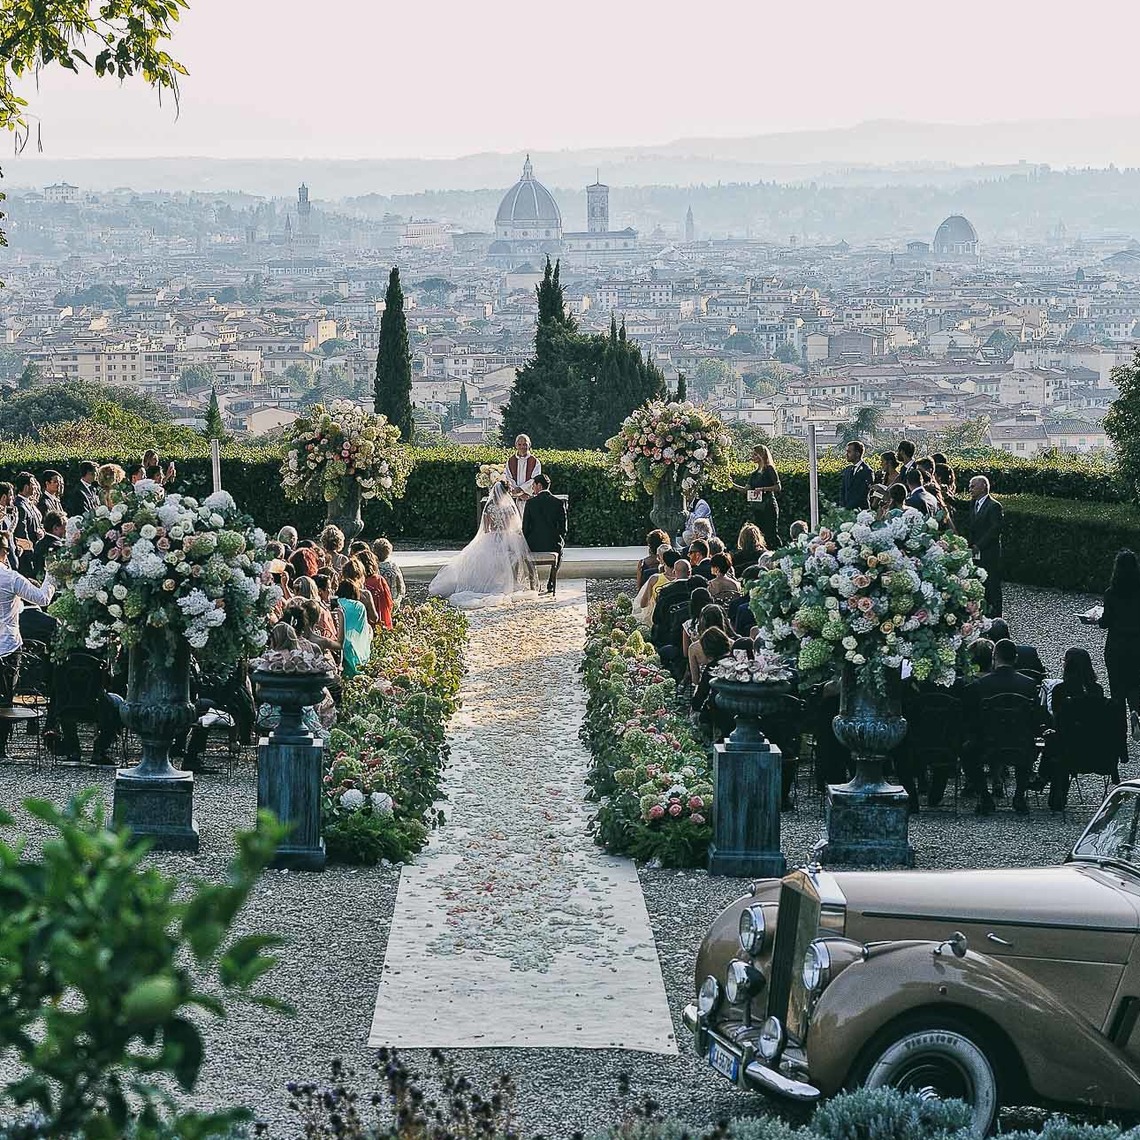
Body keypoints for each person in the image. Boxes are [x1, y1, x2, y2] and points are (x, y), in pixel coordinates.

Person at [963, 638, 1045, 815]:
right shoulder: (1029, 684)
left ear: (994, 657)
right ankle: (1019, 795)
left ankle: (984, 796)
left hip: (987, 745)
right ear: (1015, 658)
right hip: (1021, 745)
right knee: (1030, 741)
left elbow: (971, 719)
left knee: (967, 751)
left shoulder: (979, 685)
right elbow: (1036, 718)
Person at [429, 481, 537, 609]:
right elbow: (516, 527)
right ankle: (510, 583)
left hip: (491, 538)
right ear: (506, 492)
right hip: (508, 538)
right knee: (514, 556)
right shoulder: (509, 507)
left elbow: (486, 528)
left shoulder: (490, 506)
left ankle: (487, 584)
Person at [0, 537, 55, 760]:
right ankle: (0, 748)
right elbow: (42, 598)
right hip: (7, 644)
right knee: (4, 699)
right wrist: (51, 575)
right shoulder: (10, 577)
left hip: (7, 642)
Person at [1099, 549, 1140, 741]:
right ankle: (1135, 713)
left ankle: (1120, 730)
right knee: (1134, 684)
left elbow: (1105, 621)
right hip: (1136, 645)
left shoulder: (1111, 593)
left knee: (1117, 689)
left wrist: (1098, 620)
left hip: (1115, 647)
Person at [521, 473, 568, 594]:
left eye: (534, 485)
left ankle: (534, 582)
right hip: (553, 544)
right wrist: (559, 540)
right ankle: (551, 582)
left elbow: (525, 528)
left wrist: (526, 542)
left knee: (525, 553)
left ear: (540, 486)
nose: (532, 488)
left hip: (534, 545)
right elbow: (563, 528)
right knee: (560, 551)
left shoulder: (530, 503)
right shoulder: (558, 503)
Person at [969, 475, 1003, 617]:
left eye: (972, 486)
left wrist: (979, 545)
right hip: (976, 551)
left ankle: (996, 615)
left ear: (983, 486)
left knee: (992, 583)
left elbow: (995, 530)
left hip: (990, 552)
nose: (970, 489)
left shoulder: (994, 506)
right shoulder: (973, 504)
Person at [734, 445, 781, 549]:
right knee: (761, 532)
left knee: (771, 533)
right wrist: (732, 485)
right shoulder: (754, 474)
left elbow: (778, 487)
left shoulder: (769, 469)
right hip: (758, 507)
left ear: (761, 455)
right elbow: (746, 490)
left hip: (768, 505)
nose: (753, 457)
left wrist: (763, 489)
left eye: (755, 454)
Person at [336, 580, 373, 679]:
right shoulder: (359, 606)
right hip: (354, 649)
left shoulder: (336, 603)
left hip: (338, 642)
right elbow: (362, 629)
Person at [12, 473, 43, 577]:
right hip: (27, 555)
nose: (35, 487)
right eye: (33, 484)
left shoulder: (28, 504)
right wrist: (31, 553)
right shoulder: (19, 505)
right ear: (26, 487)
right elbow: (22, 532)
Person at [355, 547, 394, 630]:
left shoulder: (359, 583)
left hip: (366, 623)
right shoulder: (379, 579)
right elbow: (389, 602)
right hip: (382, 619)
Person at [371, 538, 406, 609]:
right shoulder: (393, 566)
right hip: (392, 600)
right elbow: (401, 586)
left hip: (377, 603)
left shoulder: (372, 568)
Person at [839, 441, 874, 511]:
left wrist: (849, 507)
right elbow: (843, 490)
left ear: (857, 453)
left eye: (849, 452)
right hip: (846, 512)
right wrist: (842, 507)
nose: (846, 454)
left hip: (861, 511)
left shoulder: (867, 471)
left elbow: (863, 493)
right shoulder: (847, 470)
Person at [30, 511, 65, 582]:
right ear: (55, 528)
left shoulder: (39, 543)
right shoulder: (57, 546)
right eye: (64, 526)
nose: (66, 529)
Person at [504, 434, 541, 500]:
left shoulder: (535, 461)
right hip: (514, 497)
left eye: (524, 444)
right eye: (519, 444)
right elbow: (508, 477)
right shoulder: (510, 461)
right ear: (516, 446)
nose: (522, 447)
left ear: (529, 445)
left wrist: (522, 489)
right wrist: (517, 492)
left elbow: (535, 479)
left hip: (529, 496)